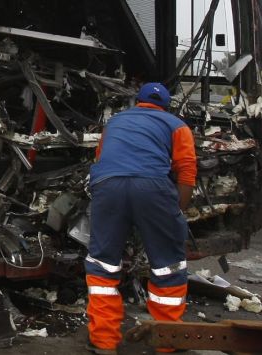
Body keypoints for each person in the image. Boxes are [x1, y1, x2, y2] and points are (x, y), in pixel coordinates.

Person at [84, 82, 197, 354]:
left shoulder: (115, 121)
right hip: (153, 188)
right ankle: (167, 341)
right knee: (168, 265)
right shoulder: (175, 125)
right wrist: (176, 211)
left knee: (103, 263)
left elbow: (102, 158)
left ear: (138, 102)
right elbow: (186, 171)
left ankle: (104, 341)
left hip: (108, 186)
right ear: (166, 106)